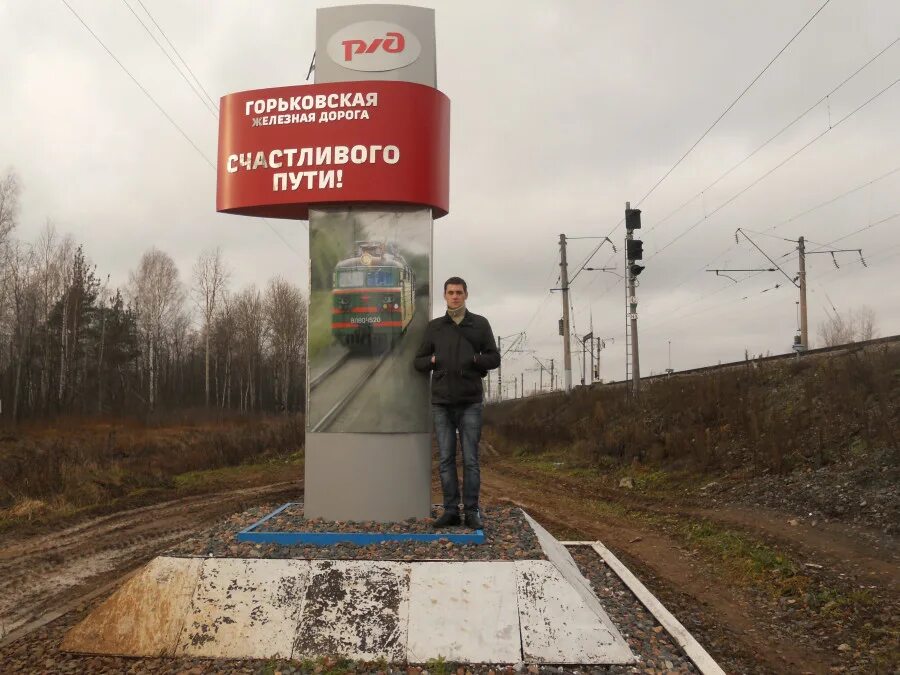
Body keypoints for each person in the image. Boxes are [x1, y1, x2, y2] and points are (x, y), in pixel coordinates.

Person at [414, 277, 500, 529]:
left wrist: (474, 359)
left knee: (471, 460)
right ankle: (451, 510)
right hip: (441, 403)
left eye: (459, 292)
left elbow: (494, 358)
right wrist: (431, 361)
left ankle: (472, 511)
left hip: (470, 402)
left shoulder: (479, 324)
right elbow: (417, 362)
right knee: (446, 460)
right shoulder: (435, 328)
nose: (455, 296)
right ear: (445, 295)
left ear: (466, 295)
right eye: (450, 292)